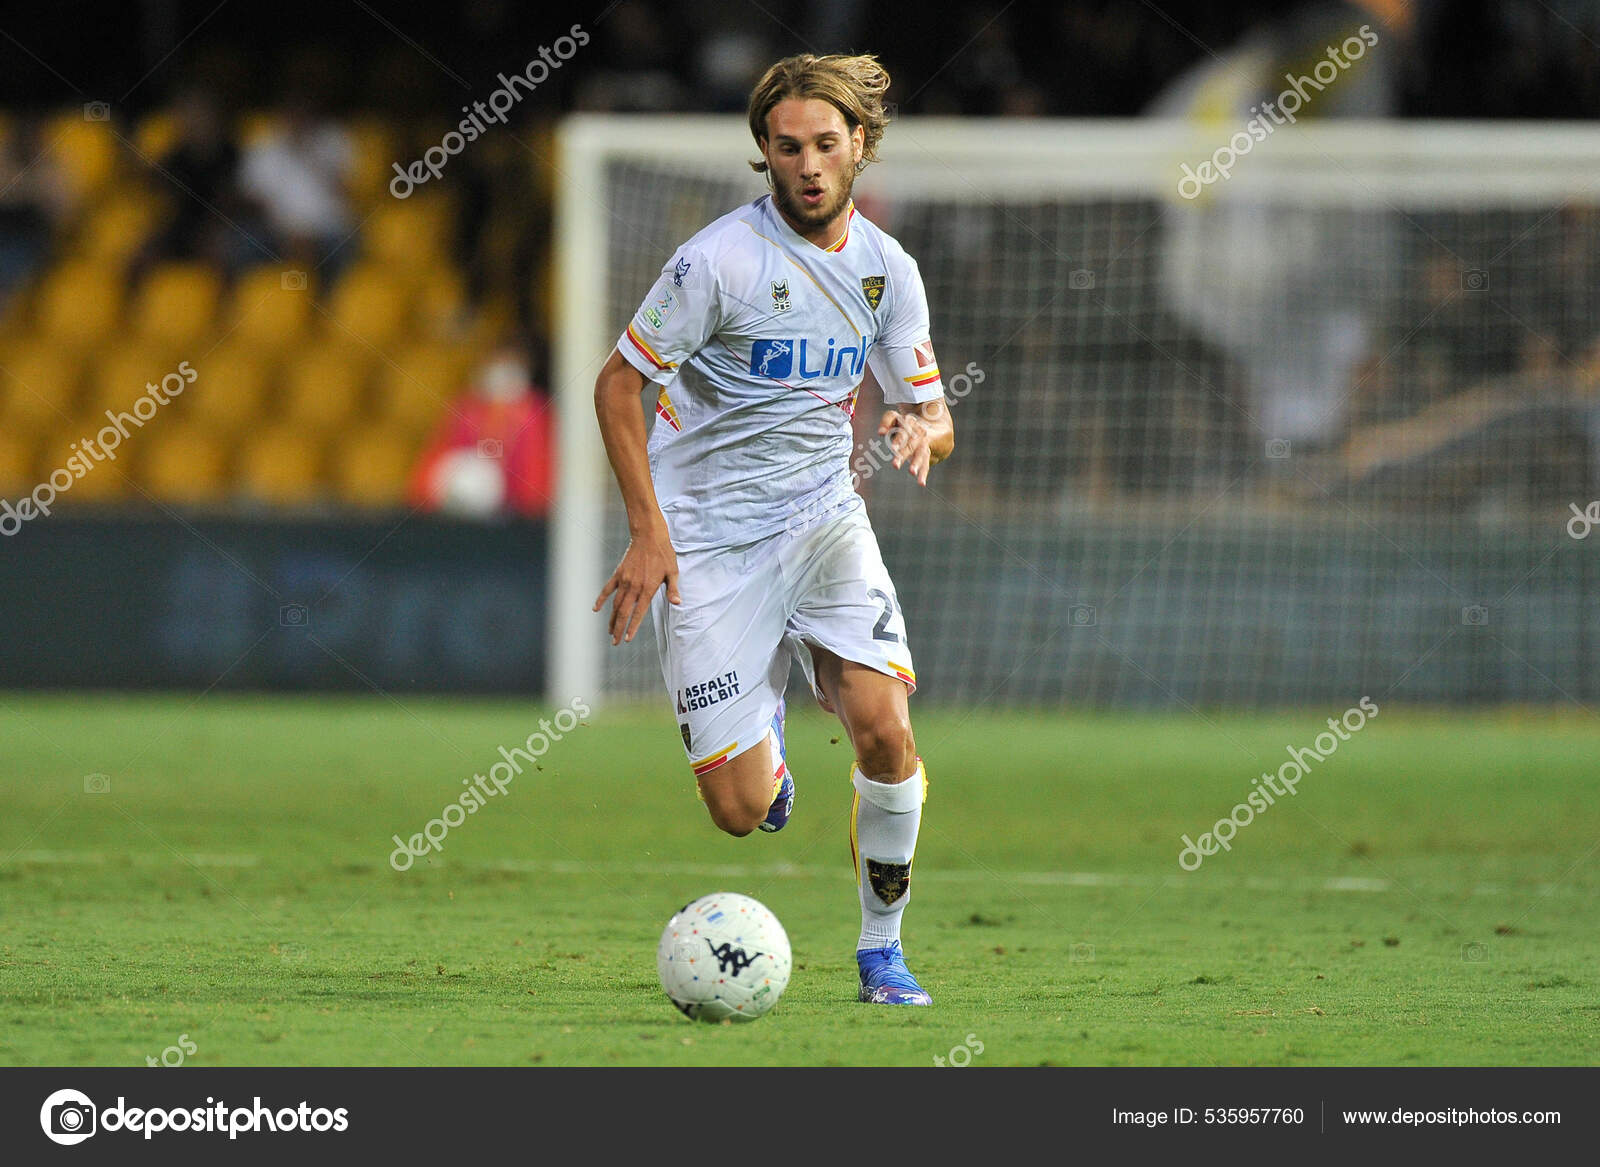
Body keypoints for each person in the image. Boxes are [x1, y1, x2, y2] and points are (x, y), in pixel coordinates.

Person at [592, 53, 953, 1006]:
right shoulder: (715, 261)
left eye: (827, 145)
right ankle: (771, 749)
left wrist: (924, 424)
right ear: (765, 151)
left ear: (859, 148)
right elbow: (619, 385)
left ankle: (883, 952)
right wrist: (648, 530)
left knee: (884, 731)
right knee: (739, 811)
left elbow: (934, 409)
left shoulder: (886, 269)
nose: (808, 165)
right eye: (788, 146)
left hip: (824, 520)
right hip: (706, 541)